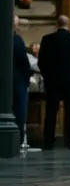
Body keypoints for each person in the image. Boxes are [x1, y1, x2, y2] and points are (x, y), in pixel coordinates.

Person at [39, 15, 70, 150]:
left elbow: (42, 62)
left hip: (53, 82)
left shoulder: (47, 39)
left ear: (57, 24)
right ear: (68, 24)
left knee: (51, 111)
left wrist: (47, 77)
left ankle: (48, 140)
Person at [12, 16, 32, 148]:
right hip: (18, 82)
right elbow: (24, 63)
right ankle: (17, 140)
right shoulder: (17, 40)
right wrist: (27, 78)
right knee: (19, 111)